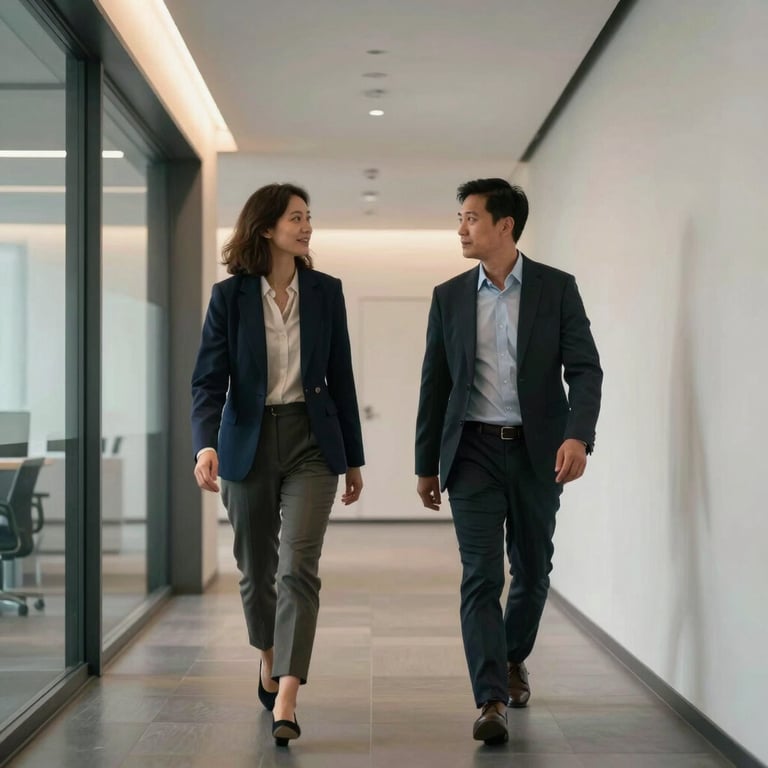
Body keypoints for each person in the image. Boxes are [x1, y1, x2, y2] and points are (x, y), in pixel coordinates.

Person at [415, 178, 602, 745]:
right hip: (471, 450)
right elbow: (435, 384)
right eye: (460, 217)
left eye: (471, 218)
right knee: (480, 574)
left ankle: (512, 656)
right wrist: (427, 463)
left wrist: (578, 436)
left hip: (538, 452)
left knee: (533, 570)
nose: (461, 228)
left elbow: (585, 370)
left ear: (505, 226)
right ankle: (491, 697)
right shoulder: (449, 296)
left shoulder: (556, 288)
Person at [191, 183, 365, 747]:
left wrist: (353, 459)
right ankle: (268, 654)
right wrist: (205, 443)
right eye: (296, 217)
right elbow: (208, 381)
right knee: (255, 569)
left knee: (298, 565)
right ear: (266, 227)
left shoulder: (325, 292)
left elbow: (341, 378)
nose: (307, 226)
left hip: (313, 441)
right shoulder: (230, 297)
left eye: (309, 217)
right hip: (247, 439)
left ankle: (287, 692)